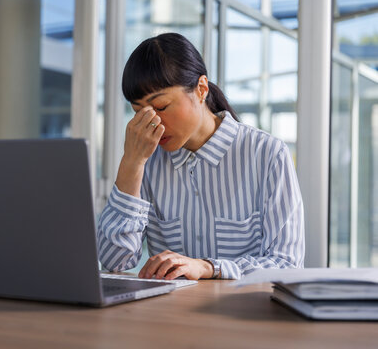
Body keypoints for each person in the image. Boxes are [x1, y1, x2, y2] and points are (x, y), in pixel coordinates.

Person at [97, 33, 304, 280]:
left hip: (245, 312)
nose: (152, 123)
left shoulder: (267, 155)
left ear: (201, 89)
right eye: (138, 112)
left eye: (161, 107)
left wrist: (208, 267)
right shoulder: (146, 163)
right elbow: (114, 261)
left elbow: (287, 263)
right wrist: (131, 164)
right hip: (168, 316)